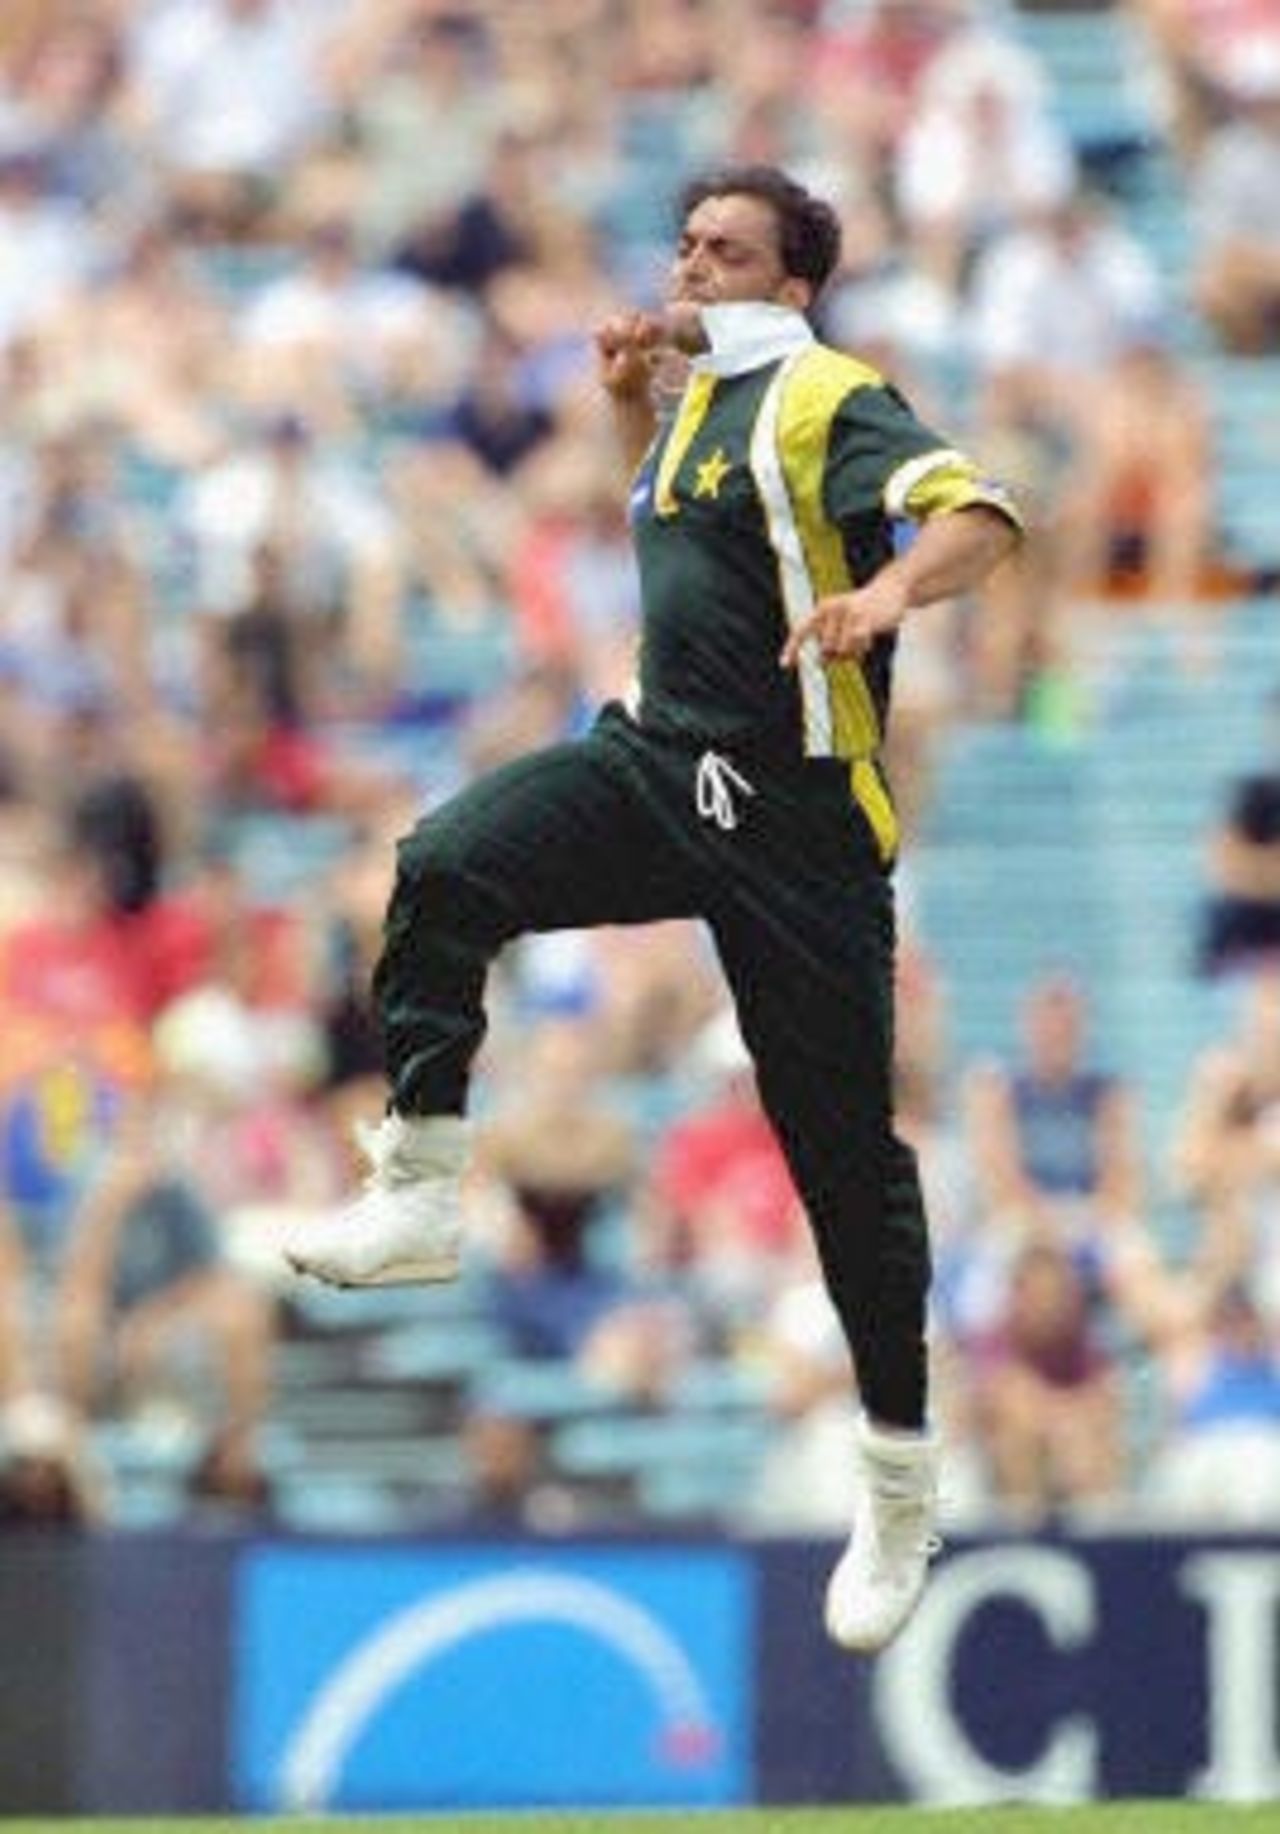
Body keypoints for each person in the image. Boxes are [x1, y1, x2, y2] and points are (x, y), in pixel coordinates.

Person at [284, 164, 1023, 1653]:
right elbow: (684, 551)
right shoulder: (688, 402)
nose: (691, 269)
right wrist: (629, 400)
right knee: (441, 861)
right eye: (686, 243)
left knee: (841, 1163)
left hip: (801, 821)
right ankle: (422, 1178)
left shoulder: (824, 392)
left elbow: (984, 513)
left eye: (728, 252)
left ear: (794, 285)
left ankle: (897, 1469)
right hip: (657, 762)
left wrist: (887, 603)